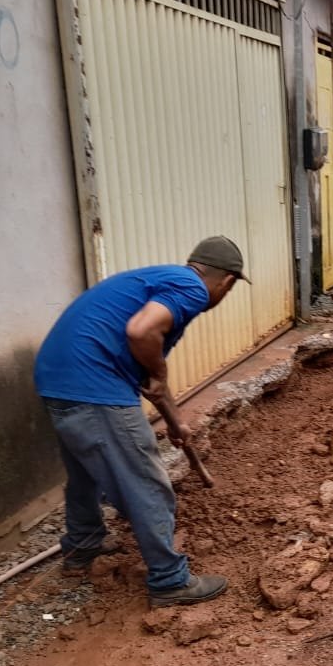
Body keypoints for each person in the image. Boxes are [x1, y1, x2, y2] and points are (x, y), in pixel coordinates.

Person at [33, 236, 246, 607]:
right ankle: (169, 580)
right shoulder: (192, 289)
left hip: (58, 381)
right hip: (94, 385)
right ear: (226, 282)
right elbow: (140, 331)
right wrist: (160, 374)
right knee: (145, 481)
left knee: (84, 473)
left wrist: (176, 422)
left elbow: (152, 382)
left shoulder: (161, 279)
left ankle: (83, 547)